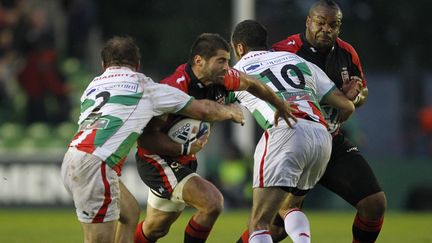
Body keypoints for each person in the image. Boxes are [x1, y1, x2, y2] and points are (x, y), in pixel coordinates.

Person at [60, 36, 246, 243]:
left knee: (130, 214)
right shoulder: (144, 87)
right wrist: (230, 111)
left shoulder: (92, 87)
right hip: (97, 164)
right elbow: (202, 109)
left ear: (103, 65)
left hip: (73, 158)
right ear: (138, 65)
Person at [133, 33, 296, 243]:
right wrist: (184, 148)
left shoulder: (224, 78)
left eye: (228, 60)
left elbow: (253, 83)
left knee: (155, 228)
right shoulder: (174, 87)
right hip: (156, 161)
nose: (227, 66)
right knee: (212, 202)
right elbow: (145, 140)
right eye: (221, 60)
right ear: (199, 61)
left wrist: (280, 105)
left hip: (184, 160)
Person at [268, 0, 387, 242]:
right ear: (308, 22)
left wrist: (355, 96)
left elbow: (361, 93)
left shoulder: (347, 53)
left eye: (333, 25)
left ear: (339, 27)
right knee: (276, 228)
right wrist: (338, 99)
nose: (326, 29)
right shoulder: (283, 51)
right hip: (293, 141)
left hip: (331, 140)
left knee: (374, 204)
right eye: (320, 23)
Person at [231, 20, 355, 243]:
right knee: (290, 206)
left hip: (285, 132)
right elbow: (346, 106)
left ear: (239, 48)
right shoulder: (299, 61)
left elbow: (213, 101)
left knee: (259, 222)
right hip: (320, 135)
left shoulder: (237, 70)